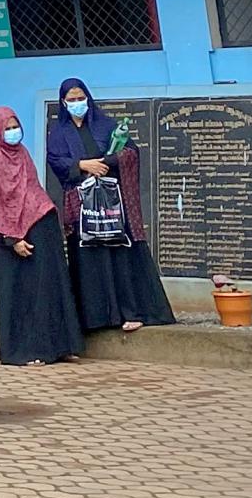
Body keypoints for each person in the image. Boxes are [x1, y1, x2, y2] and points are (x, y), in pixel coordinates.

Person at [45, 78, 176, 334]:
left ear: (88, 98)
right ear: (63, 102)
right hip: (83, 207)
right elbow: (56, 160)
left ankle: (131, 312)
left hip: (113, 204)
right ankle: (96, 318)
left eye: (80, 98)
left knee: (119, 256)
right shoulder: (59, 133)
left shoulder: (106, 125)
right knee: (88, 259)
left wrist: (105, 161)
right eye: (70, 100)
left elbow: (130, 152)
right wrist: (83, 165)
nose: (76, 104)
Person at [0, 106, 80, 367]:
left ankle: (59, 347)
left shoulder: (21, 153)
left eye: (15, 126)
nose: (13, 132)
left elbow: (32, 189)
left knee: (51, 287)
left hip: (42, 222)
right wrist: (12, 239)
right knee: (27, 294)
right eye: (7, 128)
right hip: (16, 236)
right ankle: (28, 350)